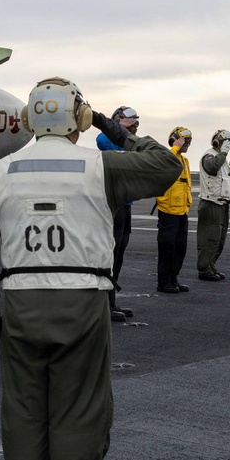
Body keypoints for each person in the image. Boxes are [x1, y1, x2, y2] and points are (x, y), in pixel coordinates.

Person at [0, 77, 181, 460]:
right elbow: (166, 164)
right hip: (82, 300)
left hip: (19, 301)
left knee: (22, 415)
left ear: (28, 119)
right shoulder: (98, 166)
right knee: (79, 413)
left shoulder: (3, 170)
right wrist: (108, 125)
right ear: (76, 116)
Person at [96, 106, 141, 321]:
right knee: (110, 254)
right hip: (113, 204)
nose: (135, 125)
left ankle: (110, 301)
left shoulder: (130, 142)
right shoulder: (106, 139)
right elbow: (103, 139)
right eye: (131, 121)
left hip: (126, 202)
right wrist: (118, 128)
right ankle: (104, 303)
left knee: (119, 253)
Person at [156, 126, 193, 294]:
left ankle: (173, 278)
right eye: (185, 141)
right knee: (167, 248)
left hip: (181, 211)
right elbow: (163, 162)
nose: (187, 144)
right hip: (168, 211)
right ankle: (164, 282)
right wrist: (175, 147)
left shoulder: (185, 161)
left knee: (180, 247)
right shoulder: (167, 155)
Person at [196, 130, 230, 281]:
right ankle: (204, 268)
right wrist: (223, 152)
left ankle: (210, 265)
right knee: (210, 238)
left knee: (219, 238)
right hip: (211, 203)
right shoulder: (210, 156)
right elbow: (211, 167)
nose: (228, 146)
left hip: (221, 203)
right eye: (227, 142)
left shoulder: (221, 159)